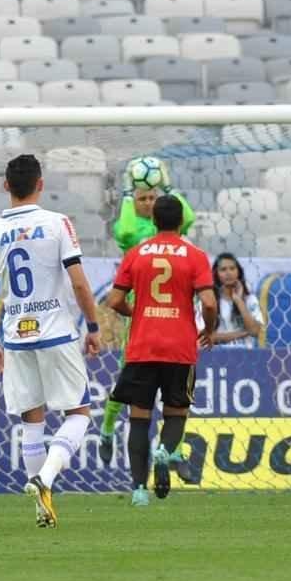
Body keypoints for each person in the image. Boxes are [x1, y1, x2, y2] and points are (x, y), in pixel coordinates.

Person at [0, 154, 102, 528]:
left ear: (5, 185)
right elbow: (78, 282)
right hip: (57, 332)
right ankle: (45, 477)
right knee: (78, 413)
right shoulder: (58, 223)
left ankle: (41, 507)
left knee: (32, 420)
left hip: (16, 336)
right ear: (40, 184)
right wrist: (93, 326)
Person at [106, 195, 218, 507]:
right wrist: (208, 330)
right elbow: (208, 302)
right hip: (179, 347)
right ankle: (165, 452)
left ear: (153, 221)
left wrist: (138, 311)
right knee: (176, 412)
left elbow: (114, 301)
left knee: (139, 417)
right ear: (181, 221)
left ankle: (139, 491)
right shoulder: (195, 255)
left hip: (143, 346)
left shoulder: (136, 253)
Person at [99, 157, 196, 465]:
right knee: (125, 380)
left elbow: (187, 215)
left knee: (178, 393)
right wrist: (128, 195)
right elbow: (126, 229)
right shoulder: (131, 232)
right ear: (134, 200)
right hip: (142, 321)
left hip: (171, 320)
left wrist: (168, 189)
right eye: (142, 198)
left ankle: (175, 450)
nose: (148, 203)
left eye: (153, 198)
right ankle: (107, 426)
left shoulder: (169, 227)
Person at [210, 252, 263, 348]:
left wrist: (238, 301)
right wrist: (242, 333)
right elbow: (208, 337)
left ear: (238, 272)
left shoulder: (250, 300)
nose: (228, 273)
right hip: (217, 355)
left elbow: (255, 331)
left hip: (246, 355)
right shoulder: (210, 301)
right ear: (216, 274)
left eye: (232, 268)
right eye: (223, 269)